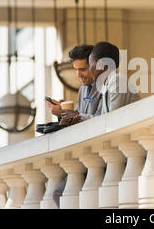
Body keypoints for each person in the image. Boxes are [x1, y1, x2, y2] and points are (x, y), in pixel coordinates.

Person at [45, 44, 102, 208]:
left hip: (100, 156)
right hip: (83, 158)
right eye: (76, 70)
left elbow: (103, 120)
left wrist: (75, 115)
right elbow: (79, 121)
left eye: (82, 69)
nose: (78, 75)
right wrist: (62, 114)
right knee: (58, 193)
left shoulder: (108, 86)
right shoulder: (83, 90)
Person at [89, 41, 141, 114]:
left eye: (90, 64)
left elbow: (114, 117)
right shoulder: (107, 84)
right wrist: (79, 117)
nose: (89, 69)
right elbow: (101, 118)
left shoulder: (116, 80)